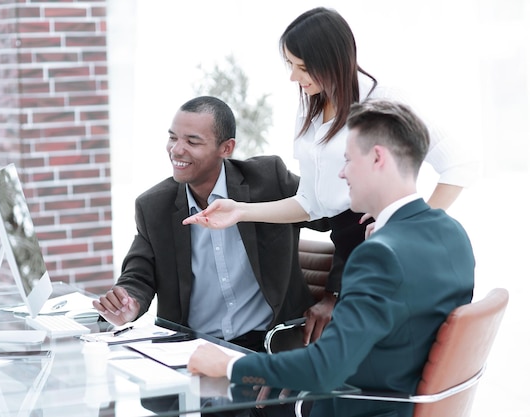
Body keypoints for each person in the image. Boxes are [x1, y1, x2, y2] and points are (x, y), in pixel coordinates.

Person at [183, 7, 480, 343]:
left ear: (333, 60)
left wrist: (405, 227)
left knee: (363, 368)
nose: (293, 77)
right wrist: (241, 211)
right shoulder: (310, 106)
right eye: (290, 65)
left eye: (303, 67)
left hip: (379, 249)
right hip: (350, 246)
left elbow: (459, 163)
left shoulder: (383, 99)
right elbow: (312, 203)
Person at [187, 98, 475, 417]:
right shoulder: (452, 234)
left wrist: (230, 365)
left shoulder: (380, 255)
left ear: (378, 158)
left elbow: (326, 369)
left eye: (348, 159)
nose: (341, 173)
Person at [93, 96, 321, 353]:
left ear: (226, 148)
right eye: (173, 137)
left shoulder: (269, 180)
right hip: (193, 351)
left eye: (192, 141)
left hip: (271, 347)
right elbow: (139, 273)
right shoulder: (154, 206)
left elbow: (342, 215)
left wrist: (337, 296)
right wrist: (129, 301)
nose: (176, 150)